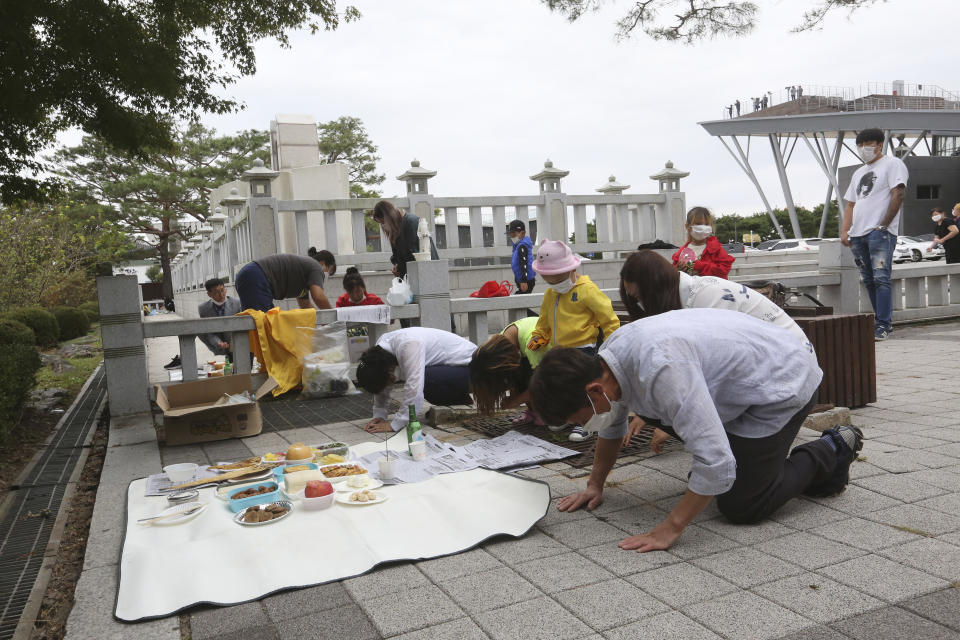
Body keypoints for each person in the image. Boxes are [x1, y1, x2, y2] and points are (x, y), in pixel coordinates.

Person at [528, 309, 863, 553]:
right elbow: (612, 427)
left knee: (743, 505)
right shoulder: (607, 366)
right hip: (736, 383)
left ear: (593, 390)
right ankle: (749, 460)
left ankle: (831, 448)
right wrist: (594, 484)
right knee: (711, 469)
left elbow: (716, 463)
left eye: (577, 417)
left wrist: (670, 528)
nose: (580, 426)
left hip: (781, 383)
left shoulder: (662, 372)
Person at [526, 239, 620, 441]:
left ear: (570, 270)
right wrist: (539, 336)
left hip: (583, 349)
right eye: (548, 279)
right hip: (559, 350)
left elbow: (608, 318)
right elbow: (544, 320)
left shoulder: (586, 290)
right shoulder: (551, 293)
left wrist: (612, 343)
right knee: (558, 387)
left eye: (557, 279)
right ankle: (564, 416)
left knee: (582, 388)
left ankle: (585, 424)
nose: (553, 283)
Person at [620, 250, 806, 340]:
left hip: (791, 371)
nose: (640, 305)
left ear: (655, 287)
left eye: (638, 297)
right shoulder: (687, 299)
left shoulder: (708, 298)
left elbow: (723, 359)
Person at [841, 127, 908, 341]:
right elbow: (851, 204)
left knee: (881, 278)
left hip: (880, 232)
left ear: (879, 144)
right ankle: (879, 321)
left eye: (867, 144)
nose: (863, 149)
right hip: (858, 234)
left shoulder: (893, 164)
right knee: (869, 279)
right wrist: (845, 230)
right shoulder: (858, 173)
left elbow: (898, 193)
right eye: (859, 145)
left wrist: (884, 225)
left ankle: (883, 325)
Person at [358, 327, 477, 433]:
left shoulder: (409, 345)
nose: (389, 385)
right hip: (453, 369)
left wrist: (395, 425)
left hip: (473, 369)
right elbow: (382, 388)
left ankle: (461, 401)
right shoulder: (380, 354)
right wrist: (380, 415)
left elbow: (414, 387)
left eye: (388, 382)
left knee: (426, 379)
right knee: (428, 383)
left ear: (390, 373)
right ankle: (459, 403)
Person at [470, 316, 549, 425]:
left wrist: (516, 400)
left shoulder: (534, 346)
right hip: (537, 360)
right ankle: (534, 411)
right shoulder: (502, 340)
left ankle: (556, 412)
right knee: (520, 372)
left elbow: (543, 383)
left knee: (528, 373)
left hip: (567, 367)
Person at [234, 252, 335, 312]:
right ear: (323, 263)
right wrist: (333, 318)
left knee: (269, 324)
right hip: (257, 277)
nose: (326, 277)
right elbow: (318, 296)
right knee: (259, 326)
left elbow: (305, 305)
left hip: (254, 276)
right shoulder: (316, 267)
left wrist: (322, 320)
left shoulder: (304, 278)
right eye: (329, 272)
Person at [372, 201, 439, 280]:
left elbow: (416, 254)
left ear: (388, 216)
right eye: (381, 223)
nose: (383, 226)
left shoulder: (411, 222)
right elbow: (397, 255)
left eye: (383, 222)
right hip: (412, 276)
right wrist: (397, 266)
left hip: (426, 273)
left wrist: (400, 267)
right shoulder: (395, 230)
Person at [671, 207, 735, 278]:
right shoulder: (681, 252)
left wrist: (699, 266)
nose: (703, 227)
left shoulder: (716, 249)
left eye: (707, 224)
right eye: (698, 224)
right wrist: (678, 270)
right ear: (687, 227)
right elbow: (673, 275)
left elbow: (723, 271)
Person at [198, 277, 242, 357]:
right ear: (209, 294)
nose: (221, 295)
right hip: (220, 345)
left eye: (222, 290)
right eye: (216, 293)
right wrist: (218, 342)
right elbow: (208, 331)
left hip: (238, 343)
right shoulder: (203, 308)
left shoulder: (237, 303)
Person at [508, 219, 536, 294]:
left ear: (523, 233)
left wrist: (523, 280)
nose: (512, 236)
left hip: (526, 281)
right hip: (523, 280)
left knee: (520, 302)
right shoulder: (517, 246)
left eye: (514, 234)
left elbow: (524, 263)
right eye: (510, 234)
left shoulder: (522, 246)